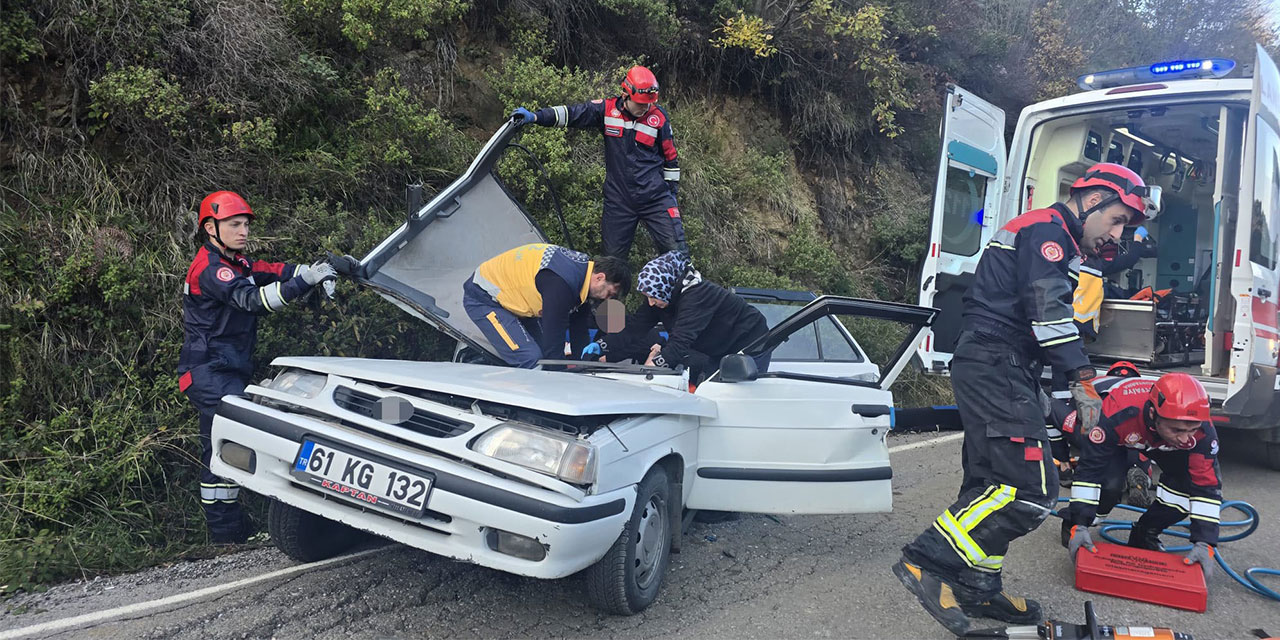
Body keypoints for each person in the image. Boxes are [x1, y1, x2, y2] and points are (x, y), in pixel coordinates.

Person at [893, 162, 1156, 636]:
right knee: (1031, 490)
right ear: (1093, 200)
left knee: (989, 483)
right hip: (998, 362)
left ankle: (978, 587)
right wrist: (1080, 376)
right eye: (1118, 219)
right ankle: (925, 560)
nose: (1118, 233)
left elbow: (1045, 314)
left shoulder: (1057, 238)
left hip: (999, 363)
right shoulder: (1046, 231)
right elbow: (1047, 312)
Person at [178, 191, 336, 544]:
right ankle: (249, 528)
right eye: (234, 224)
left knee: (219, 449)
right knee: (243, 435)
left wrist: (317, 271)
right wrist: (305, 282)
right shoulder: (212, 269)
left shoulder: (239, 264)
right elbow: (254, 301)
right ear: (210, 227)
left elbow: (274, 271)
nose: (244, 231)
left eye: (246, 224)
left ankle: (227, 535)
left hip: (224, 371)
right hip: (208, 373)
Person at [509, 65, 686, 260]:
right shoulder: (607, 110)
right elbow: (572, 114)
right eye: (641, 103)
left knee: (677, 256)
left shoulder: (658, 118)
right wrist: (536, 117)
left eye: (648, 103)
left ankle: (687, 289)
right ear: (626, 95)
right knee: (611, 263)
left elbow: (671, 159)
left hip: (655, 199)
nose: (645, 107)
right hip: (619, 201)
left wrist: (670, 195)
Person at [1062, 373, 1221, 582]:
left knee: (1188, 487)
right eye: (1178, 430)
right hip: (1120, 435)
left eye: (1191, 430)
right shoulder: (1116, 413)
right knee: (1109, 487)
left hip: (1158, 440)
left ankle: (1145, 533)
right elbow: (1089, 471)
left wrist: (1204, 542)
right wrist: (1080, 524)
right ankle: (1072, 522)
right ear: (1154, 413)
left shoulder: (1201, 432)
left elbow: (1206, 488)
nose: (1185, 439)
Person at [586, 251, 770, 383]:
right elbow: (635, 328)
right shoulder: (661, 295)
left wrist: (650, 368)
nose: (650, 303)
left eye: (652, 296)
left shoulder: (698, 295)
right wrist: (603, 345)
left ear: (666, 287)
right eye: (647, 297)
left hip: (750, 341)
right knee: (712, 388)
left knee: (735, 394)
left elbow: (680, 341)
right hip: (717, 348)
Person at [463, 243, 629, 368]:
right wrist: (560, 378)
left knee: (545, 354)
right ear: (600, 277)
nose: (608, 299)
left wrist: (585, 365)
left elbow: (579, 327)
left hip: (517, 301)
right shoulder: (563, 283)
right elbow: (554, 337)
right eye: (610, 293)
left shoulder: (582, 274)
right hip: (484, 298)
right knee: (531, 359)